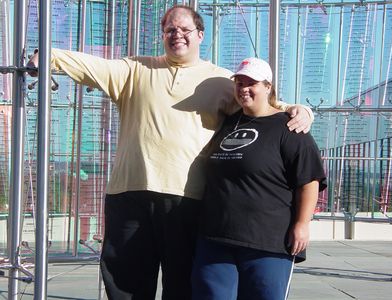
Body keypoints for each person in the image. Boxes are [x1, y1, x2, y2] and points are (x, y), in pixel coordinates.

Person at [27, 5, 315, 300]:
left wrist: (301, 110)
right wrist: (49, 55)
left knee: (182, 285)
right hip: (129, 196)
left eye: (185, 29)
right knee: (125, 283)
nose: (177, 35)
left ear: (200, 35)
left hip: (186, 200)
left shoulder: (220, 81)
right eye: (170, 30)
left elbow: (264, 104)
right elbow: (90, 65)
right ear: (162, 35)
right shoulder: (134, 70)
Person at [191, 57, 327, 300]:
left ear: (268, 87)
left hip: (267, 243)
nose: (244, 88)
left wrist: (302, 224)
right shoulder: (229, 123)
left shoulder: (290, 128)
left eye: (251, 83)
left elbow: (309, 181)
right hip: (216, 238)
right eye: (239, 82)